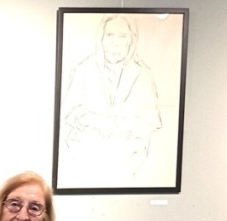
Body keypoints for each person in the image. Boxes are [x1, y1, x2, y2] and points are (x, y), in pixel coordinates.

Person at [60, 14, 162, 179]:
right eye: (110, 35)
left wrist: (117, 124)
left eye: (122, 36)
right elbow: (68, 111)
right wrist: (92, 120)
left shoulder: (143, 75)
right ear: (101, 38)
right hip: (84, 155)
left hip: (130, 160)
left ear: (132, 40)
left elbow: (150, 122)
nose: (115, 43)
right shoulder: (84, 70)